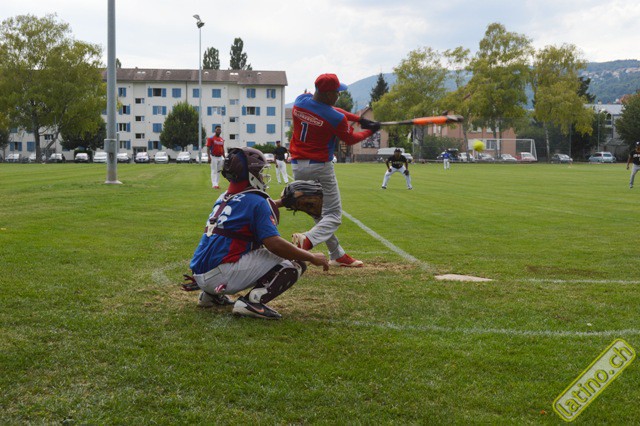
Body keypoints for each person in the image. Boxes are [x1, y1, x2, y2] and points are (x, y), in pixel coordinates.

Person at [189, 147, 329, 319]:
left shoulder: (224, 197)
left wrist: (281, 203)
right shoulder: (257, 201)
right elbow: (274, 244)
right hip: (221, 276)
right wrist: (311, 257)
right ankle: (252, 302)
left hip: (201, 274)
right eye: (260, 171)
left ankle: (210, 296)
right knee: (295, 261)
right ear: (251, 174)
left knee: (237, 241)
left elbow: (250, 207)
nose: (262, 176)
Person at [289, 73, 380, 267]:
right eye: (337, 92)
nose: (339, 95)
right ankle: (307, 240)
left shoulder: (300, 100)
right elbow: (351, 139)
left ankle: (337, 254)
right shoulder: (335, 119)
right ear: (328, 94)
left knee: (318, 213)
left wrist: (359, 119)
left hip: (297, 166)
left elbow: (332, 110)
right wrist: (370, 130)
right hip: (320, 167)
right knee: (334, 215)